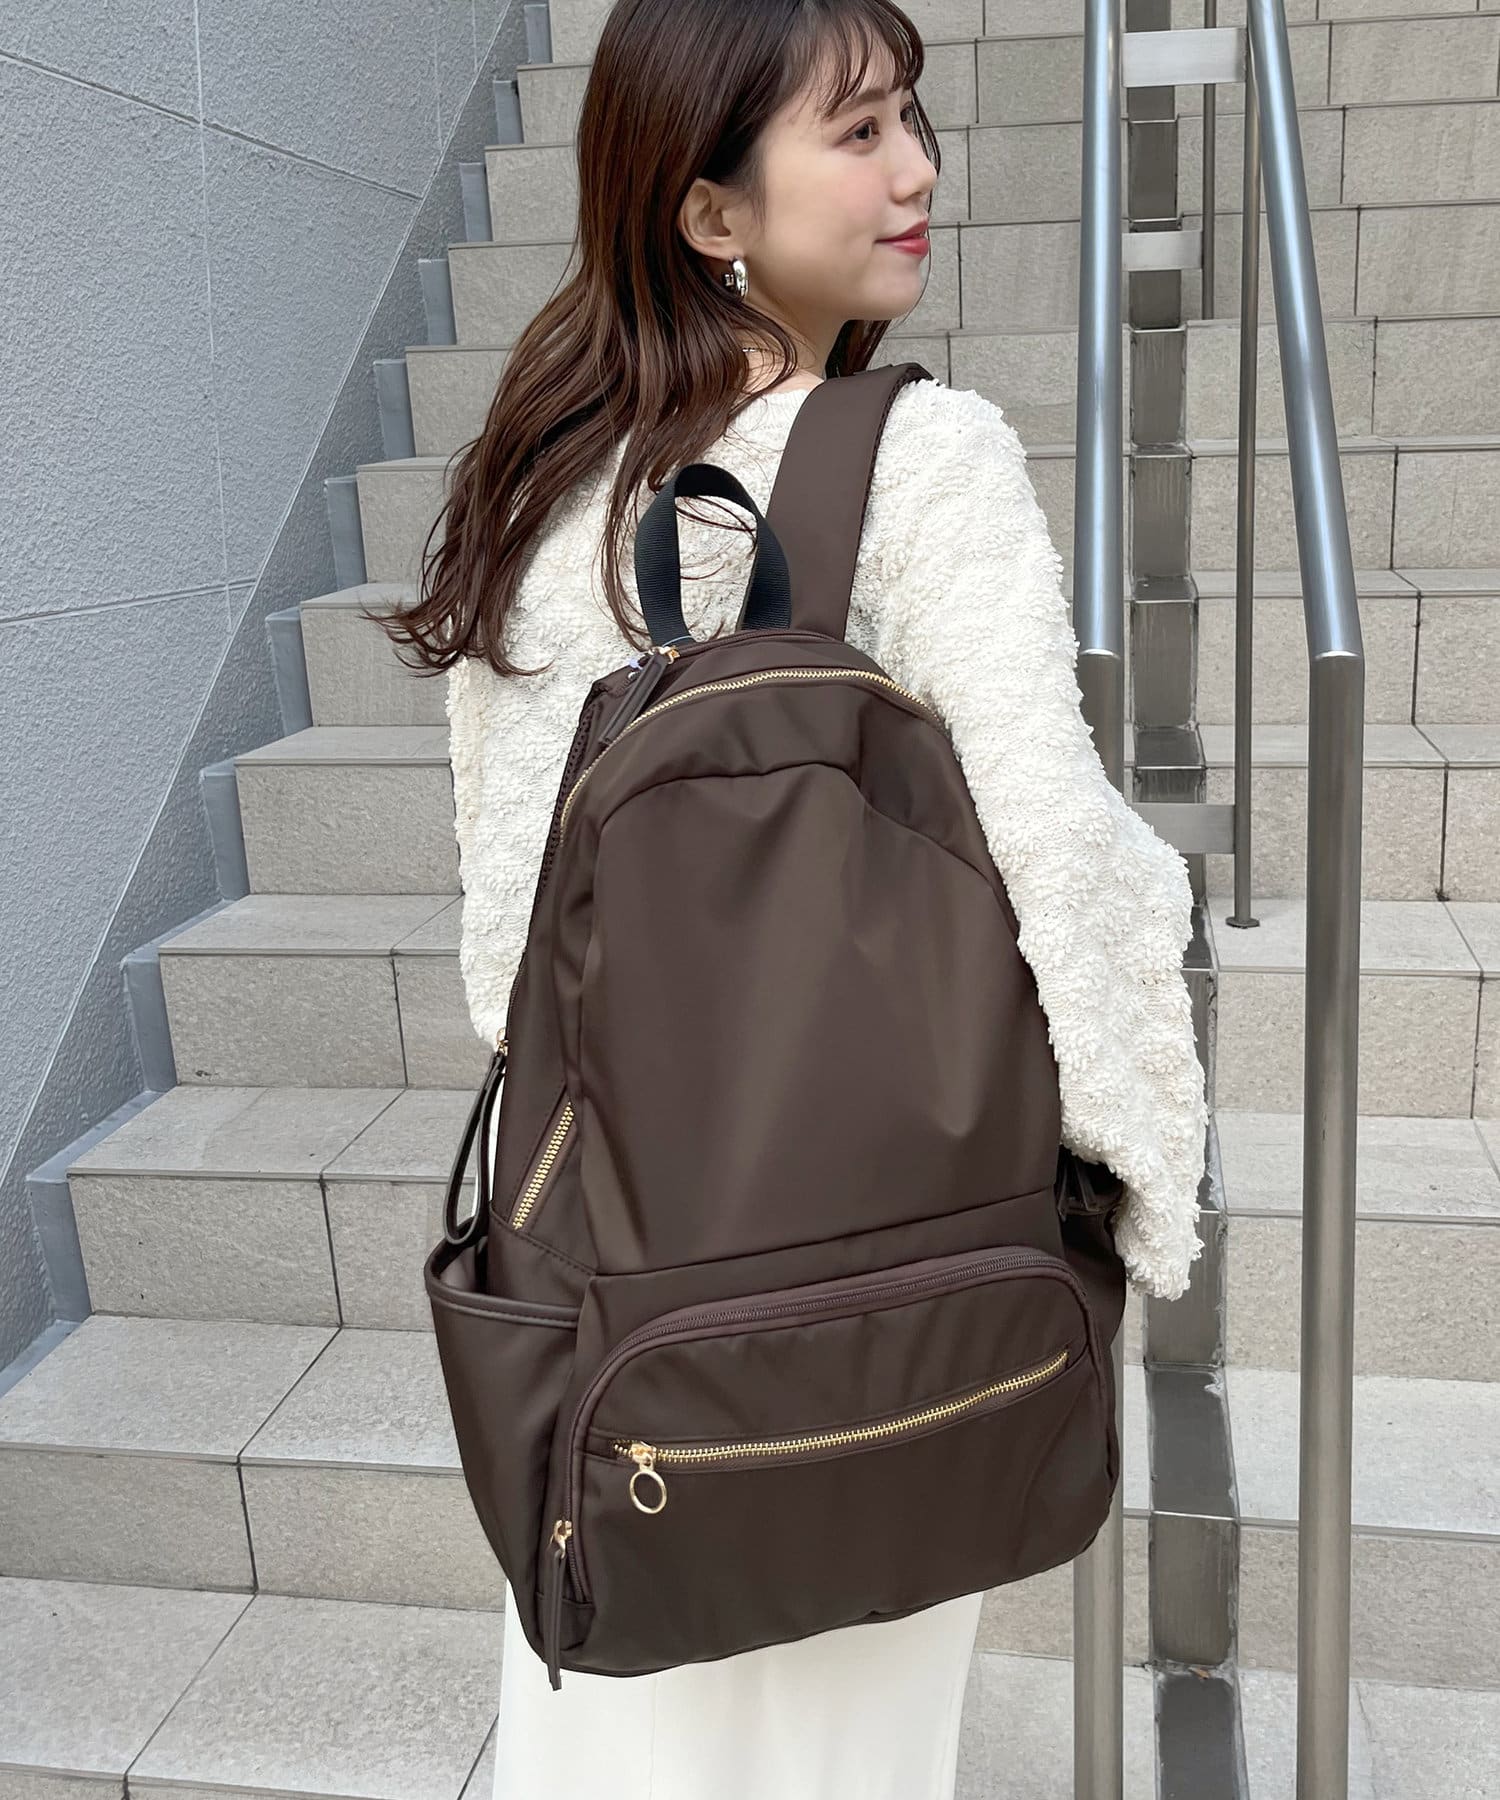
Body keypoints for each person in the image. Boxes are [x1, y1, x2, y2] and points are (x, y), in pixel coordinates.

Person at [378, 1, 1209, 1792]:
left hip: (622, 1301)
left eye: (911, 118)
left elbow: (509, 950)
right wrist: (1135, 1186)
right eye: (858, 133)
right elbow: (1056, 860)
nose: (920, 173)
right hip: (886, 1276)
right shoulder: (920, 458)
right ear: (709, 212)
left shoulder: (549, 486)